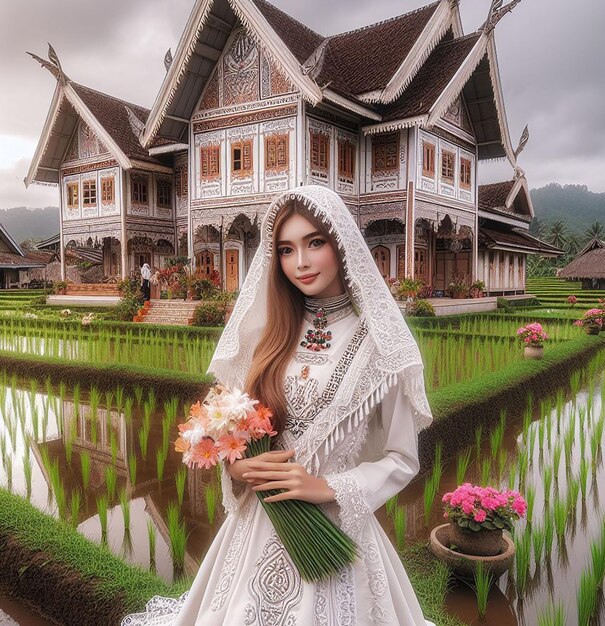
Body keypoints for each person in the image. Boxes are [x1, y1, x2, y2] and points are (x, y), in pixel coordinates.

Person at [122, 186, 435, 626]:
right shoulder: (270, 335)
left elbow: (402, 459)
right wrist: (237, 467)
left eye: (315, 243)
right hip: (256, 524)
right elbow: (241, 431)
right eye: (286, 250)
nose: (301, 262)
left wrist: (326, 487)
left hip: (334, 534)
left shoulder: (380, 347)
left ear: (341, 244)